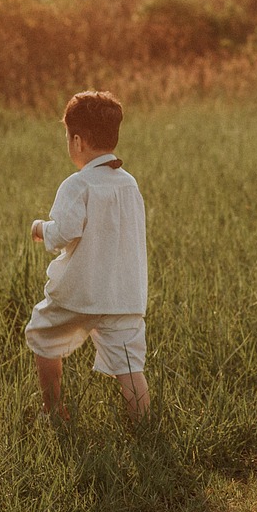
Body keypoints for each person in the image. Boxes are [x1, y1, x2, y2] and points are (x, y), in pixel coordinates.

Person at [27, 90, 150, 421]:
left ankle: (52, 409)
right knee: (129, 364)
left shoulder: (77, 185)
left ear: (77, 141)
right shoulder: (129, 185)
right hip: (125, 296)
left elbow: (64, 232)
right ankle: (143, 427)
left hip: (80, 293)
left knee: (42, 333)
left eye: (67, 136)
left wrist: (40, 228)